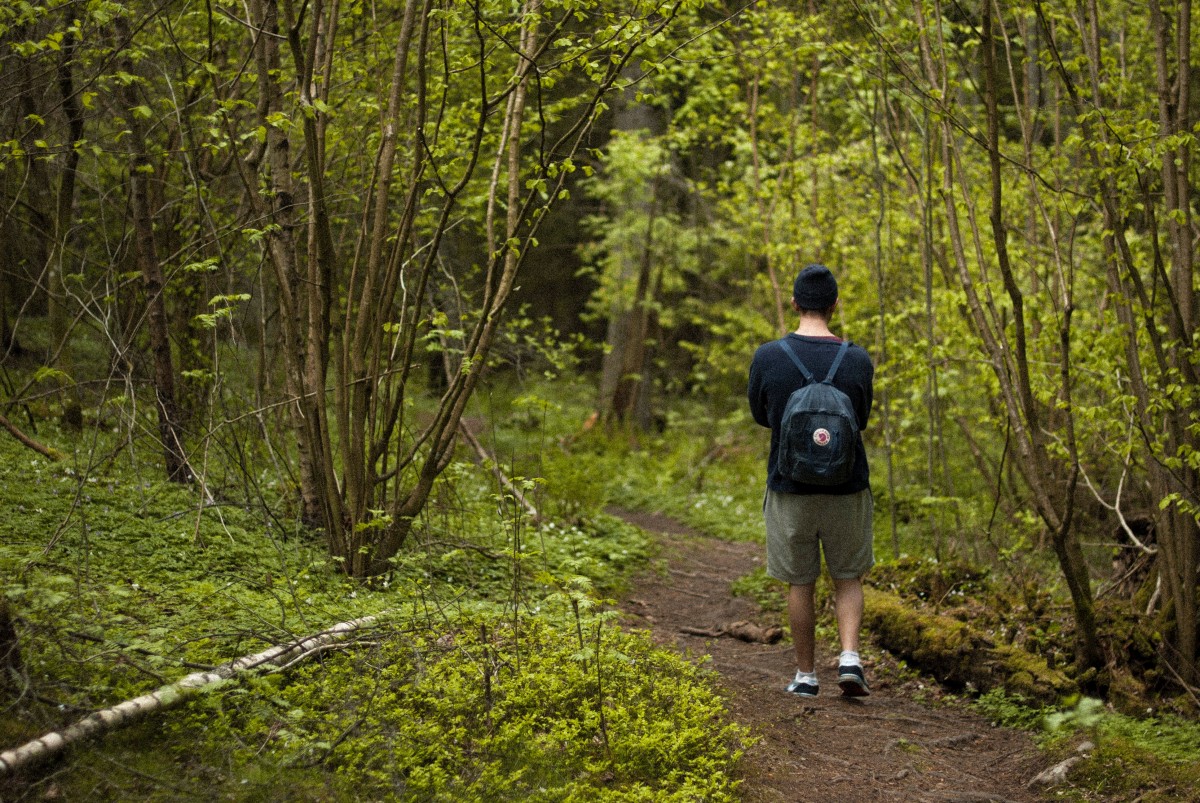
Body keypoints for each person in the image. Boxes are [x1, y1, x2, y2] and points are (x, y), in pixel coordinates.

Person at [747, 263, 874, 698]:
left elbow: (762, 415)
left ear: (794, 303)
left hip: (790, 488)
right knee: (848, 577)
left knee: (800, 581)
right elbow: (861, 418)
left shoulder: (769, 356)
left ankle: (806, 676)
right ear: (835, 304)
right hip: (847, 487)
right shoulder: (857, 359)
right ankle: (850, 659)